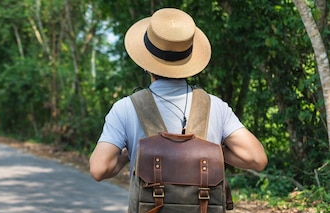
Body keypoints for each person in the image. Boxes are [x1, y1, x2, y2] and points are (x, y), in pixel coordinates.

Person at [89, 9, 267, 187]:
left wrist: (126, 156)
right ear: (189, 60)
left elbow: (99, 169)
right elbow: (257, 159)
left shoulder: (126, 108)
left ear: (146, 64)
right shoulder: (215, 106)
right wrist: (211, 151)